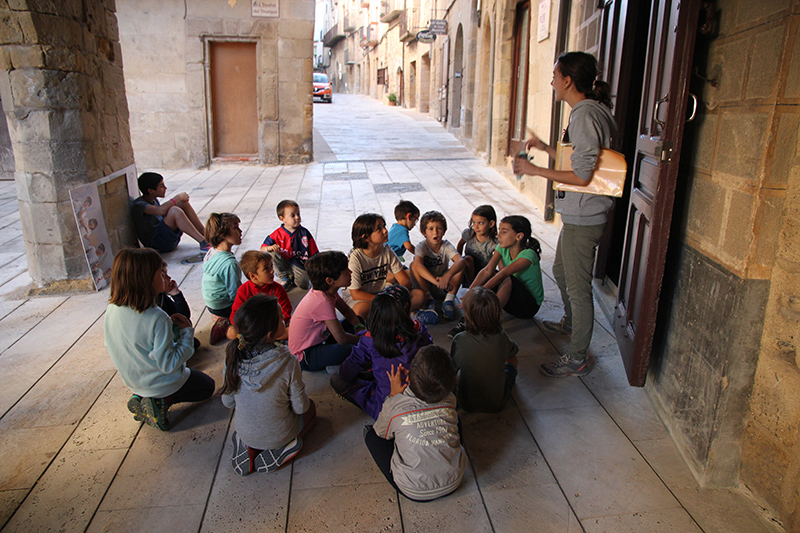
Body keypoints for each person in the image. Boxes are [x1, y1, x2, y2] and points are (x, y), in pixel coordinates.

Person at [512, 51, 616, 378]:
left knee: (577, 287)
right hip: (581, 214)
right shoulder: (588, 113)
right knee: (560, 269)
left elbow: (583, 175)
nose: (552, 81)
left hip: (585, 217)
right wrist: (546, 148)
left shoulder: (584, 115)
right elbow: (580, 160)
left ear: (568, 81)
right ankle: (572, 324)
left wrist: (536, 169)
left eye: (555, 75)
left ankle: (577, 356)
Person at [104, 248, 215, 431]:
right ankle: (162, 401)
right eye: (161, 273)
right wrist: (187, 331)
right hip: (161, 384)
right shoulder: (156, 317)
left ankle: (140, 397)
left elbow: (111, 345)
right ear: (145, 279)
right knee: (207, 387)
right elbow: (169, 364)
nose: (165, 276)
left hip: (134, 380)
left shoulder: (112, 309)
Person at [220, 294, 316, 475]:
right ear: (270, 334)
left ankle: (248, 445)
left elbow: (228, 402)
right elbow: (300, 407)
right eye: (281, 318)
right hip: (280, 434)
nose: (284, 319)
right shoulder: (287, 360)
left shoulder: (232, 356)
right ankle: (284, 446)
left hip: (244, 431)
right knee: (311, 410)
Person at [364, 345, 467, 502]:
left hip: (413, 490)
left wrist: (393, 395)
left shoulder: (395, 404)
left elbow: (380, 431)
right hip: (454, 481)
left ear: (410, 376)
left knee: (371, 435)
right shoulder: (450, 399)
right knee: (455, 419)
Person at [330, 285, 433, 420]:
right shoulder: (419, 331)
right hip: (422, 397)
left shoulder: (370, 339)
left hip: (388, 406)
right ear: (407, 309)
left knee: (337, 378)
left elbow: (348, 370)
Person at [450, 215, 544, 338]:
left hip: (528, 307)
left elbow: (504, 274)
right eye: (499, 231)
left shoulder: (529, 255)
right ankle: (468, 319)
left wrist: (478, 294)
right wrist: (470, 292)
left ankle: (490, 320)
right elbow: (487, 270)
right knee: (492, 274)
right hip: (512, 303)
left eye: (504, 232)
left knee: (504, 277)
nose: (498, 235)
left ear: (519, 236)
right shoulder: (502, 248)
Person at [289, 251, 365, 371]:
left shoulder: (328, 291)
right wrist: (364, 340)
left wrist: (359, 326)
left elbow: (346, 310)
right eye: (345, 270)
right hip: (306, 355)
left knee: (357, 320)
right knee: (349, 348)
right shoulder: (321, 301)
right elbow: (342, 339)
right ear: (330, 281)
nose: (351, 272)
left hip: (321, 338)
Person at [450, 287, 519, 413]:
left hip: (465, 402)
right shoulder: (501, 336)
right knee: (512, 360)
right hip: (498, 403)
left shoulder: (459, 340)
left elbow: (452, 368)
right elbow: (514, 351)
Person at [343, 213, 425, 317]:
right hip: (362, 299)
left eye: (384, 226)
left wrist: (395, 294)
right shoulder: (356, 258)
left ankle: (389, 314)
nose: (385, 231)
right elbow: (356, 294)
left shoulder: (386, 250)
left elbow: (405, 280)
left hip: (383, 294)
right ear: (366, 237)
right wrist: (384, 300)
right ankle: (395, 313)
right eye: (379, 229)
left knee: (419, 295)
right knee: (362, 310)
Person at [130, 172, 210, 253]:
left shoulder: (153, 200)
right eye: (161, 186)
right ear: (150, 190)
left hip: (166, 238)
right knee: (174, 211)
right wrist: (177, 198)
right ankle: (203, 242)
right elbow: (160, 211)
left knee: (181, 203)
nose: (165, 188)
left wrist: (179, 201)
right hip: (157, 244)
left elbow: (163, 212)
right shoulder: (139, 205)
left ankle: (205, 234)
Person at [411, 210, 466, 324]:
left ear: (444, 231)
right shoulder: (421, 247)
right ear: (423, 232)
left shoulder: (446, 245)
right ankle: (430, 301)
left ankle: (448, 301)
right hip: (427, 286)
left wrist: (447, 276)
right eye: (431, 229)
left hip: (445, 286)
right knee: (414, 265)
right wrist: (436, 282)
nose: (435, 232)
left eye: (439, 228)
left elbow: (460, 261)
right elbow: (418, 265)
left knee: (460, 264)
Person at [228, 251, 292, 341]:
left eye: (271, 266)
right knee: (231, 332)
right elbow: (235, 315)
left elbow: (286, 311)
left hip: (274, 328)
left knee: (292, 329)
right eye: (266, 268)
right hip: (253, 329)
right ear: (253, 276)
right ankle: (264, 339)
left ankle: (260, 340)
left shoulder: (278, 289)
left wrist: (276, 325)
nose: (272, 271)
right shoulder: (243, 290)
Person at [201, 213, 243, 345]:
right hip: (223, 305)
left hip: (211, 303)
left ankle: (220, 316)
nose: (240, 231)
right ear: (223, 235)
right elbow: (235, 294)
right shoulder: (229, 264)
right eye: (235, 228)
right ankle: (227, 322)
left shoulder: (212, 251)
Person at [260, 199, 319, 290]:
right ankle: (285, 276)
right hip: (284, 261)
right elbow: (263, 249)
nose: (297, 217)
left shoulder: (304, 233)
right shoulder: (277, 234)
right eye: (293, 215)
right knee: (272, 253)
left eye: (298, 214)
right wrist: (270, 247)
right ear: (282, 219)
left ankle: (293, 277)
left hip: (300, 264)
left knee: (303, 285)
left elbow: (315, 253)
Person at [156, 260, 201, 350]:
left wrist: (176, 293)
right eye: (163, 275)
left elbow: (184, 316)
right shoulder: (154, 304)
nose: (169, 278)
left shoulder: (161, 296)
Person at [456, 205, 499, 284]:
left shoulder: (493, 243)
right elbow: (460, 245)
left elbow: (498, 260)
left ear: (491, 224)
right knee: (467, 259)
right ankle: (471, 285)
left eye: (481, 223)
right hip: (468, 268)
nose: (476, 227)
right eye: (474, 223)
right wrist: (457, 261)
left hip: (484, 271)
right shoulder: (469, 234)